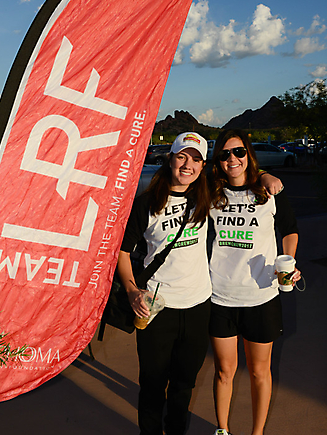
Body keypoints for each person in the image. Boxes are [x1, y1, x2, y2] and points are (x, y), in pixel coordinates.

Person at [117, 131, 283, 435]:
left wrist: (263, 173)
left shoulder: (204, 194)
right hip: (156, 308)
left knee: (184, 385)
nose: (187, 165)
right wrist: (131, 291)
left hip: (198, 307)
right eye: (182, 157)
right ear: (170, 159)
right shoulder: (147, 203)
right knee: (153, 385)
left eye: (195, 159)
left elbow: (238, 170)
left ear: (203, 166)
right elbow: (123, 251)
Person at [208, 129, 301, 435]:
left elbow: (289, 229)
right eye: (224, 154)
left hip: (261, 297)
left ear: (248, 154)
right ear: (217, 160)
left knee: (260, 372)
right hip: (220, 296)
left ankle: (257, 433)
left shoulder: (269, 192)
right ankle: (222, 430)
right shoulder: (210, 193)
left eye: (238, 152)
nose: (232, 159)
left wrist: (289, 261)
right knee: (224, 371)